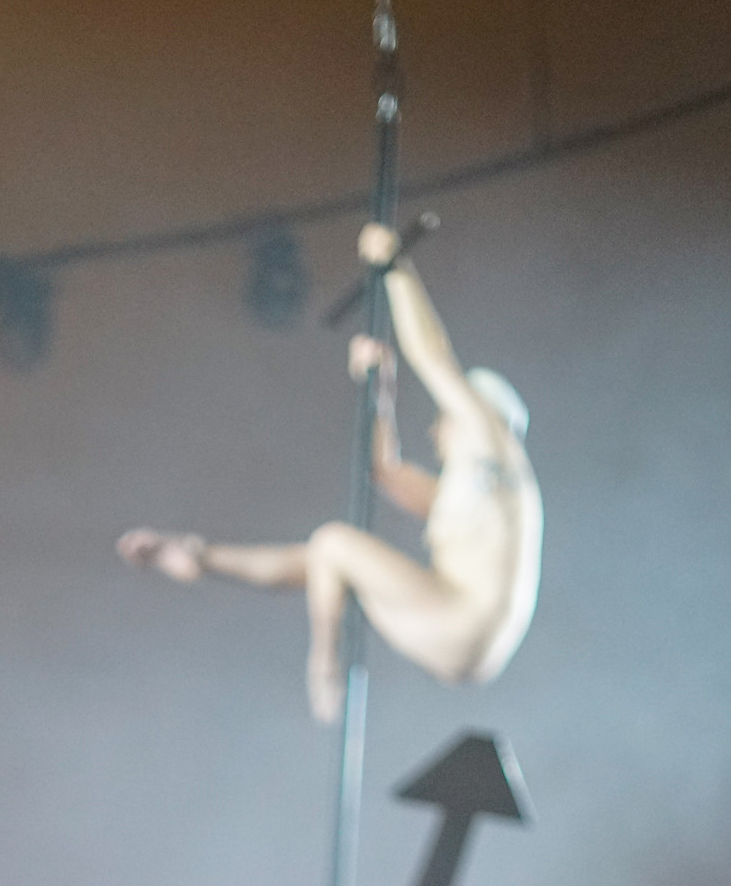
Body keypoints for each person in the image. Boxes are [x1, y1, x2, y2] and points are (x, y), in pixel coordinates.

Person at [118, 221, 542, 722]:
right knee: (327, 562)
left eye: (443, 417)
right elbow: (385, 471)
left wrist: (395, 267)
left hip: (461, 623)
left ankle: (323, 665)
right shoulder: (475, 494)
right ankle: (200, 556)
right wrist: (380, 391)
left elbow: (432, 356)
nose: (434, 430)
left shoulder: (491, 443)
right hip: (460, 645)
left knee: (334, 542)